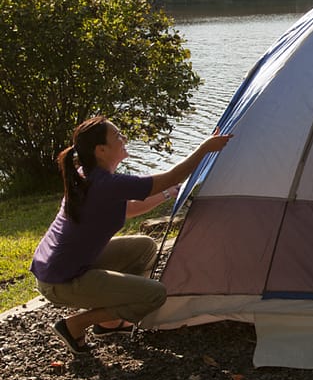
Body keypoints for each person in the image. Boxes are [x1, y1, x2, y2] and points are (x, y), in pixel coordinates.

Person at [30, 116, 233, 354]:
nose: (124, 138)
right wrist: (204, 149)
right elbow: (171, 176)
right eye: (117, 136)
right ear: (101, 150)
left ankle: (108, 322)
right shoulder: (104, 183)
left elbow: (131, 208)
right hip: (61, 281)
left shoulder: (88, 174)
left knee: (144, 248)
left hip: (60, 268)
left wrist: (169, 193)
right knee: (155, 294)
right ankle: (75, 324)